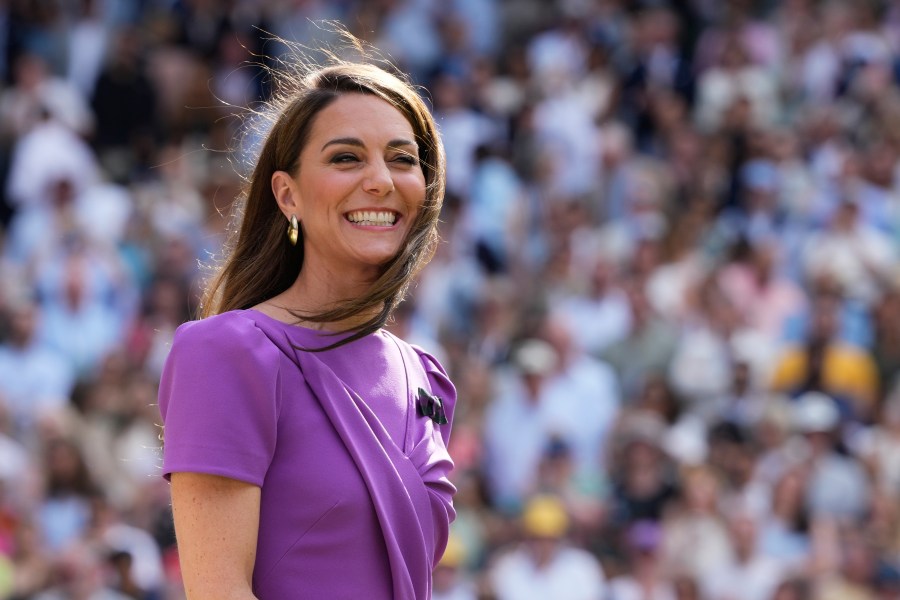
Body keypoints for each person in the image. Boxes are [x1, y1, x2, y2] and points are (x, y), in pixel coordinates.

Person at [157, 40, 457, 599]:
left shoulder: (425, 375)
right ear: (287, 194)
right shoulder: (227, 353)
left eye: (402, 158)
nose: (380, 181)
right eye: (346, 157)